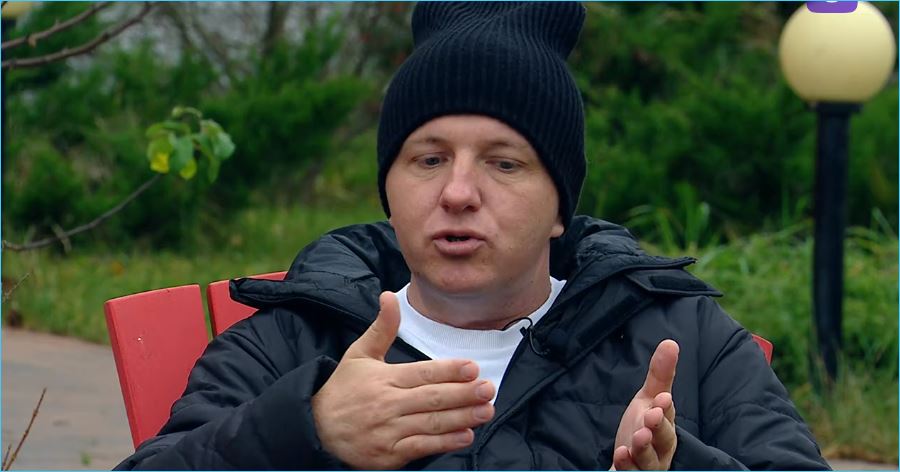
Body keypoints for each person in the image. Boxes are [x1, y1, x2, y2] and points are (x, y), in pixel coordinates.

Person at [116, 3, 830, 470]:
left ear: (560, 207)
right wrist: (309, 428)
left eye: (504, 162)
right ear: (389, 191)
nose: (458, 192)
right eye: (428, 159)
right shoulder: (294, 340)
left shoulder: (681, 339)